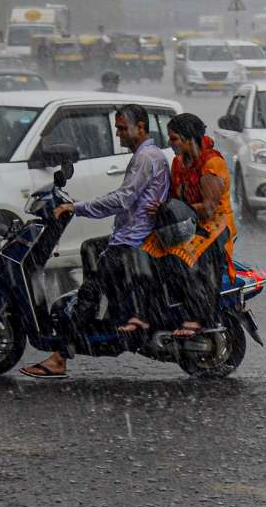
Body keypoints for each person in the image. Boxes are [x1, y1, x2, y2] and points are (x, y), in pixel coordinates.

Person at [20, 104, 170, 379]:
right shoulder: (147, 155)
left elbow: (123, 199)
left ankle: (60, 356)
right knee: (90, 248)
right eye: (118, 129)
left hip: (132, 242)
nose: (120, 134)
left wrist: (77, 208)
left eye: (123, 129)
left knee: (89, 289)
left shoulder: (146, 158)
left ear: (141, 128)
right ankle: (102, 315)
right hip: (130, 235)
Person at [121, 113, 236, 337]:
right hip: (185, 222)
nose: (170, 143)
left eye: (173, 139)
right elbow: (174, 197)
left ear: (188, 139)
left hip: (214, 226)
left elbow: (209, 208)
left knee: (181, 257)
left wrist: (169, 209)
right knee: (144, 253)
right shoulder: (178, 162)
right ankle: (146, 315)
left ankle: (197, 317)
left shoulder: (212, 162)